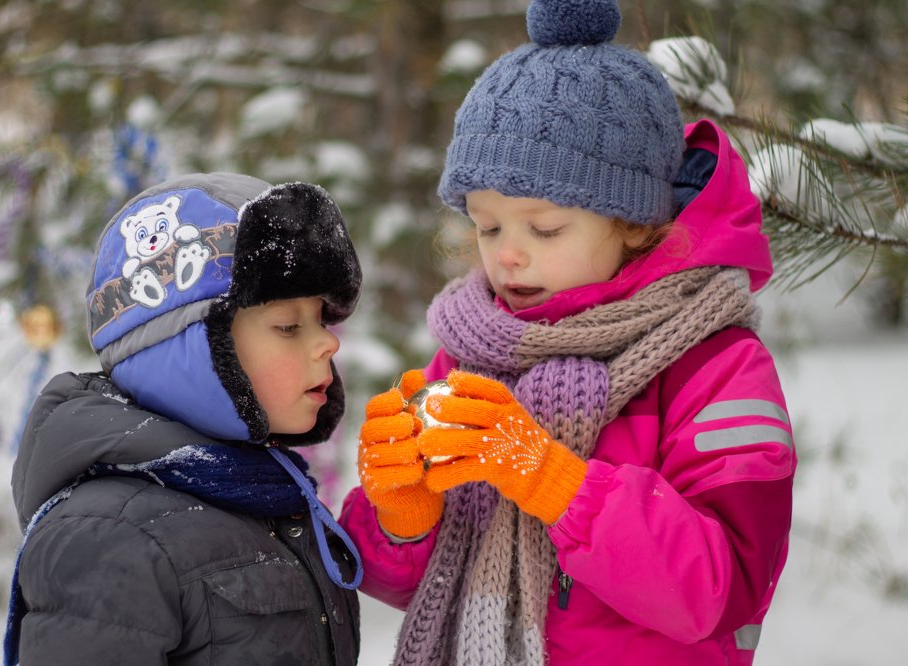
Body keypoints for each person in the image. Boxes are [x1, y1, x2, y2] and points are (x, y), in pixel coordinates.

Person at [339, 0, 796, 664]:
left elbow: (722, 592)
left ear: (635, 222)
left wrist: (561, 485)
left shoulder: (715, 365)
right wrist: (402, 519)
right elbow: (415, 584)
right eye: (487, 225)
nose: (508, 254)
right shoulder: (475, 351)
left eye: (543, 227)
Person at [4, 173, 363, 665]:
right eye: (287, 325)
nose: (329, 342)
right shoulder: (112, 536)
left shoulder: (265, 499)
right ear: (189, 349)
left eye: (321, 319)